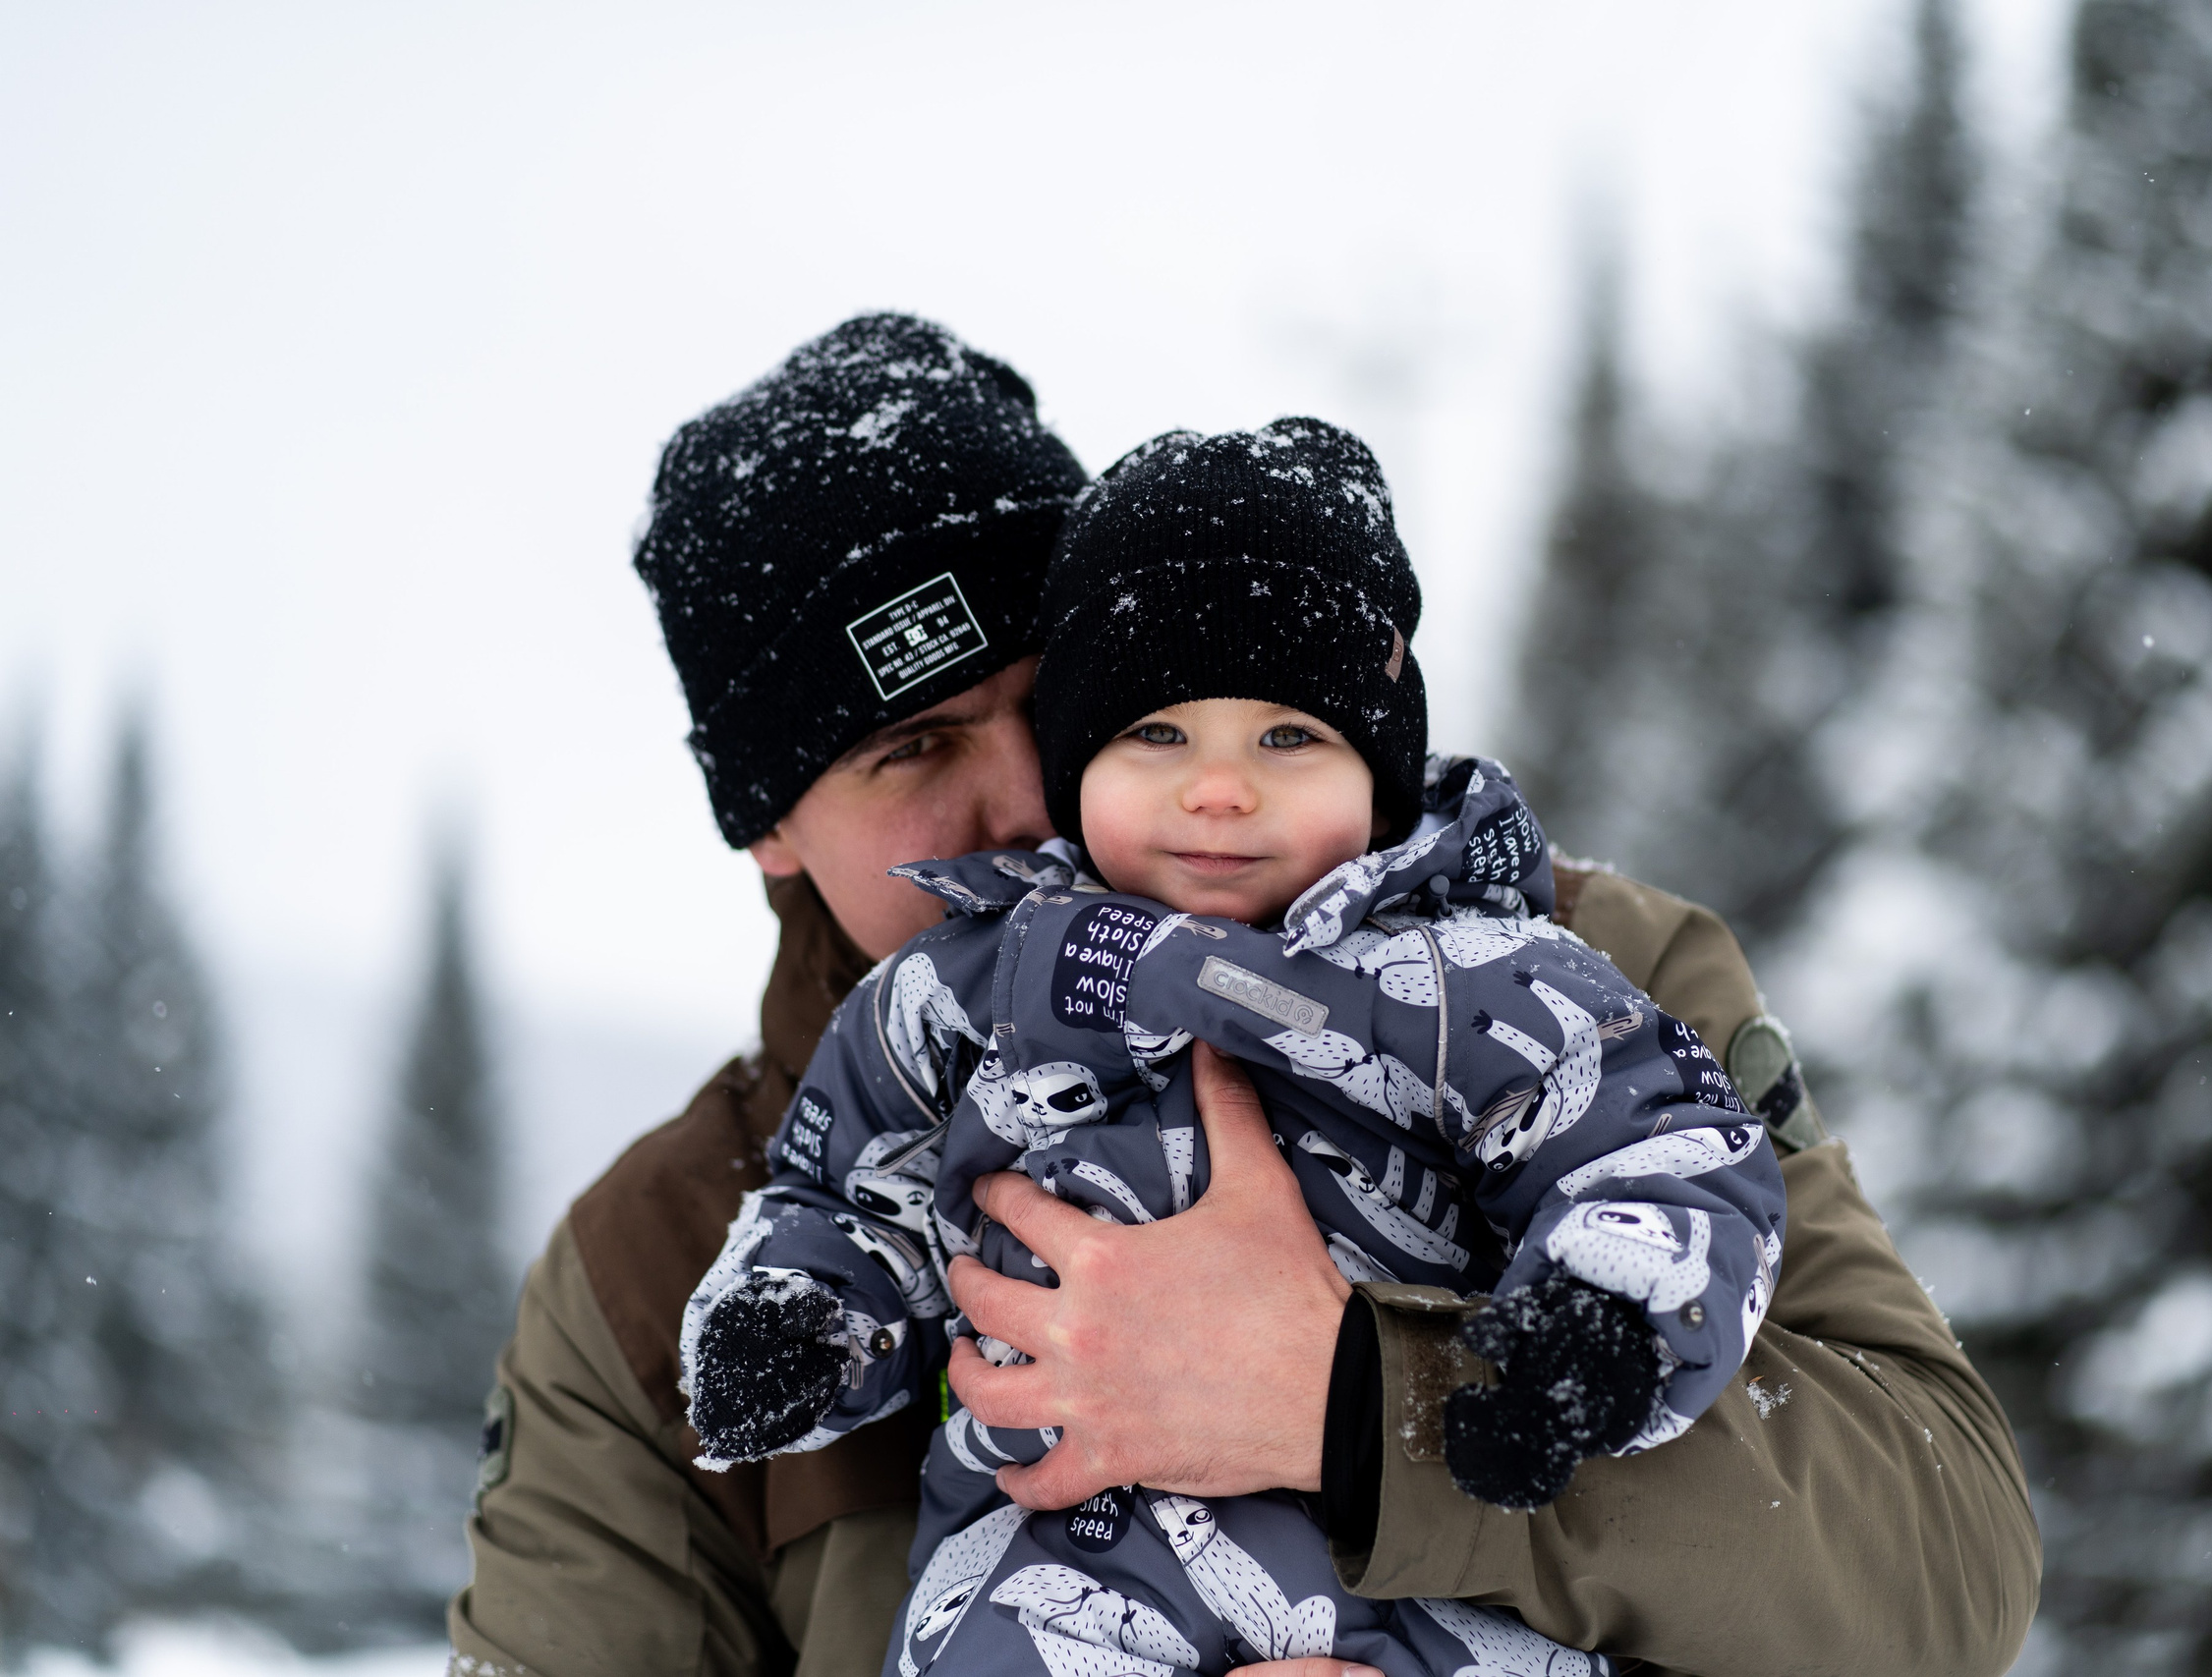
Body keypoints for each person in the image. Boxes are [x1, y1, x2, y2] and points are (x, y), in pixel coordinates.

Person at [447, 312, 2040, 1677]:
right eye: (914, 750)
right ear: (772, 830)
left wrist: (1362, 1403)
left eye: (1063, 705)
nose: (1028, 801)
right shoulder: (656, 1260)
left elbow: (1941, 1566)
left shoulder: (1572, 970)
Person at [674, 419, 1790, 1677]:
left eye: (1286, 737)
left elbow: (1662, 1150)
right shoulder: (974, 981)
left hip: (1441, 1586)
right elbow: (846, 1186)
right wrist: (804, 1317)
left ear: (1378, 766)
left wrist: (1589, 1336)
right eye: (1157, 736)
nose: (1218, 790)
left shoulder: (1482, 975)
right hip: (1065, 1574)